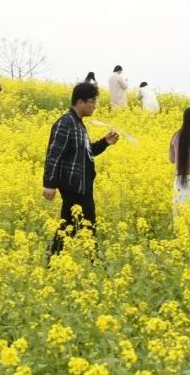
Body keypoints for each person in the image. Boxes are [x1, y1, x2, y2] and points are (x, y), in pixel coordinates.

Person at [43, 82, 120, 256]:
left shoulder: (78, 124)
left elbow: (85, 153)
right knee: (86, 224)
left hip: (82, 184)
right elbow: (53, 155)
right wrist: (49, 184)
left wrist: (105, 142)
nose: (94, 106)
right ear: (81, 102)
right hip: (73, 185)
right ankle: (95, 263)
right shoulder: (65, 123)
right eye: (92, 102)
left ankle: (54, 260)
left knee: (69, 226)